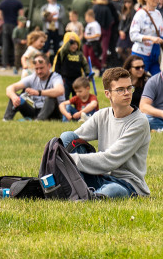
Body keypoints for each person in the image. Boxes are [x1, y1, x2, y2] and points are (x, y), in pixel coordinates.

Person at [58, 66, 151, 198]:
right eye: (120, 89)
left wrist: (68, 160)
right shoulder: (102, 115)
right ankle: (78, 189)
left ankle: (84, 193)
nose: (127, 93)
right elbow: (73, 139)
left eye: (129, 88)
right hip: (100, 176)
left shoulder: (139, 122)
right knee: (67, 136)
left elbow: (110, 160)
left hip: (126, 184)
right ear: (107, 94)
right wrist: (57, 153)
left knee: (112, 191)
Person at [3, 52, 65, 121]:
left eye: (41, 68)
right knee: (16, 96)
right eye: (36, 69)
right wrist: (14, 97)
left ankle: (39, 121)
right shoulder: (33, 77)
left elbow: (60, 91)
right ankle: (6, 120)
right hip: (37, 111)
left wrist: (39, 92)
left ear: (49, 66)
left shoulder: (56, 77)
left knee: (51, 97)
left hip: (54, 112)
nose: (39, 71)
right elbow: (10, 88)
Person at [130, 0, 163, 76]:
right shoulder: (140, 14)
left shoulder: (158, 14)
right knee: (139, 81)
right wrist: (151, 38)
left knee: (159, 81)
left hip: (154, 54)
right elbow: (133, 35)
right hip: (140, 54)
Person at [0, 0, 24, 68]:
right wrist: (21, 25)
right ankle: (14, 63)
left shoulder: (3, 3)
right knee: (15, 44)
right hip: (14, 25)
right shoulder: (18, 3)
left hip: (5, 25)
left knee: (5, 45)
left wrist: (3, 21)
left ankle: (4, 64)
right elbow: (21, 15)